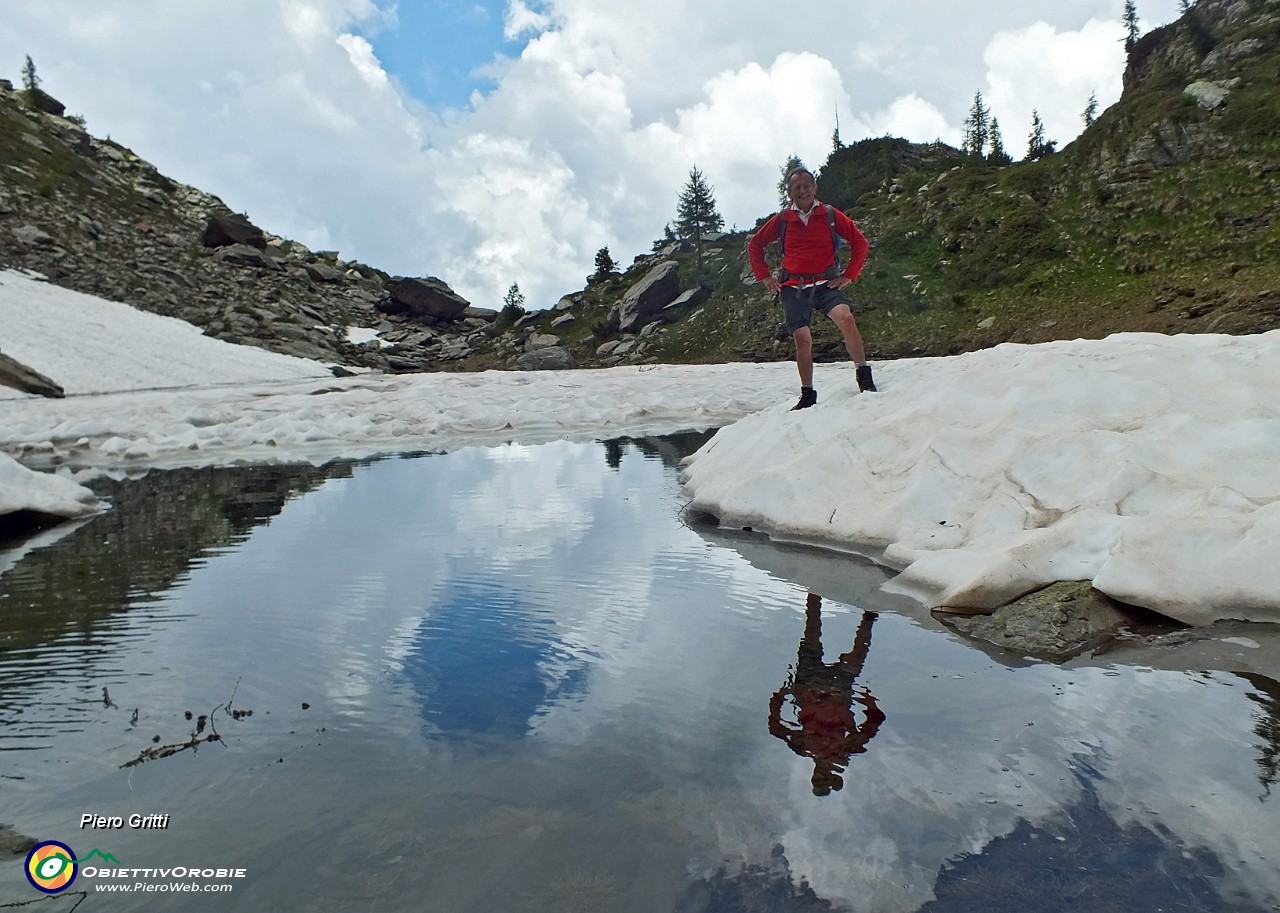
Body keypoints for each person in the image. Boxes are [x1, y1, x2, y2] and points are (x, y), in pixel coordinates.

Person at [747, 167, 876, 409]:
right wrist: (765, 277)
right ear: (789, 192)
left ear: (814, 188)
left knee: (846, 318)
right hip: (793, 286)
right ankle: (807, 394)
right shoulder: (783, 219)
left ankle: (864, 375)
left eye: (807, 186)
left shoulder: (829, 214)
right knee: (803, 339)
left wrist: (849, 275)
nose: (802, 191)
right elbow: (755, 245)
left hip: (825, 284)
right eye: (797, 187)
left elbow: (860, 242)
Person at [768, 593, 883, 796]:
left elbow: (775, 727)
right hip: (838, 693)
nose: (821, 773)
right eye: (824, 777)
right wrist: (868, 702)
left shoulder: (802, 746)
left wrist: (781, 695)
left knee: (811, 635)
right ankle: (869, 615)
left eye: (817, 777)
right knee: (855, 658)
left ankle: (815, 590)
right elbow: (874, 723)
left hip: (809, 688)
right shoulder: (845, 751)